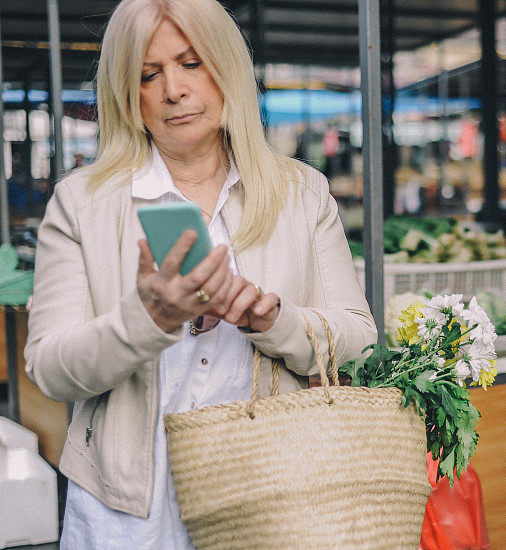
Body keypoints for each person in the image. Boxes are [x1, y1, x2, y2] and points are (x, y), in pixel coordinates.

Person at [23, 0, 377, 547]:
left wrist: (274, 322)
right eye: (149, 73)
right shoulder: (82, 204)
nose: (174, 90)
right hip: (130, 513)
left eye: (192, 63)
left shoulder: (302, 193)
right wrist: (147, 320)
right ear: (127, 93)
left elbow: (355, 338)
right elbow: (51, 370)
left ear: (226, 68)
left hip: (269, 499)